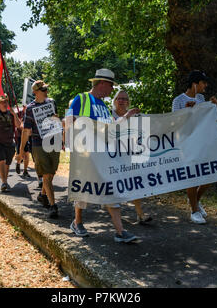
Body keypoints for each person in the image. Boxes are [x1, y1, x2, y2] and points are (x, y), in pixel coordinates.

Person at [65, 68, 140, 243]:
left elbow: (111, 126)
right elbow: (69, 121)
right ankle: (78, 222)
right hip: (86, 154)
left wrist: (127, 117)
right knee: (83, 189)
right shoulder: (82, 99)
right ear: (102, 84)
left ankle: (120, 231)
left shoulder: (104, 106)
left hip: (104, 155)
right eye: (111, 86)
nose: (112, 90)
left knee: (110, 188)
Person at [172, 70, 217, 224]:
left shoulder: (201, 98)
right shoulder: (178, 100)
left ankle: (195, 202)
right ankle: (194, 211)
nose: (206, 85)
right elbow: (174, 123)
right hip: (186, 144)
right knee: (192, 177)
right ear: (195, 84)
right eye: (203, 82)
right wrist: (186, 111)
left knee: (209, 175)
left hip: (202, 143)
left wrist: (212, 106)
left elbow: (204, 119)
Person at [111, 90, 153, 224]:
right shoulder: (109, 114)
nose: (121, 101)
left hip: (129, 155)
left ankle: (140, 214)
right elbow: (111, 128)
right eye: (119, 98)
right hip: (112, 156)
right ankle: (114, 217)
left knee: (134, 183)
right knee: (113, 185)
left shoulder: (135, 117)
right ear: (114, 100)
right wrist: (127, 116)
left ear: (128, 102)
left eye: (124, 99)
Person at [21, 81, 61, 218]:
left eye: (46, 89)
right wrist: (21, 150)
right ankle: (53, 206)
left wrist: (56, 120)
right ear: (35, 93)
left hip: (53, 141)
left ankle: (43, 195)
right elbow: (26, 130)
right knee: (46, 175)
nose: (46, 91)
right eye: (43, 89)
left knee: (51, 172)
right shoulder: (30, 108)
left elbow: (56, 120)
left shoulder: (52, 103)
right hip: (38, 143)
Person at [0, 96, 21, 192]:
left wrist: (15, 114)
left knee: (7, 162)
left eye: (6, 102)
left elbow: (19, 125)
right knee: (1, 160)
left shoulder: (11, 114)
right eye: (2, 103)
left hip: (9, 142)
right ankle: (4, 182)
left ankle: (5, 181)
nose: (5, 104)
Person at [15, 106, 31, 177]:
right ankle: (18, 163)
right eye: (25, 107)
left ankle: (25, 170)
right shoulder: (18, 113)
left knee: (27, 154)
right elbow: (18, 125)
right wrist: (20, 122)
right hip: (20, 136)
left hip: (28, 136)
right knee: (20, 153)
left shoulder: (30, 114)